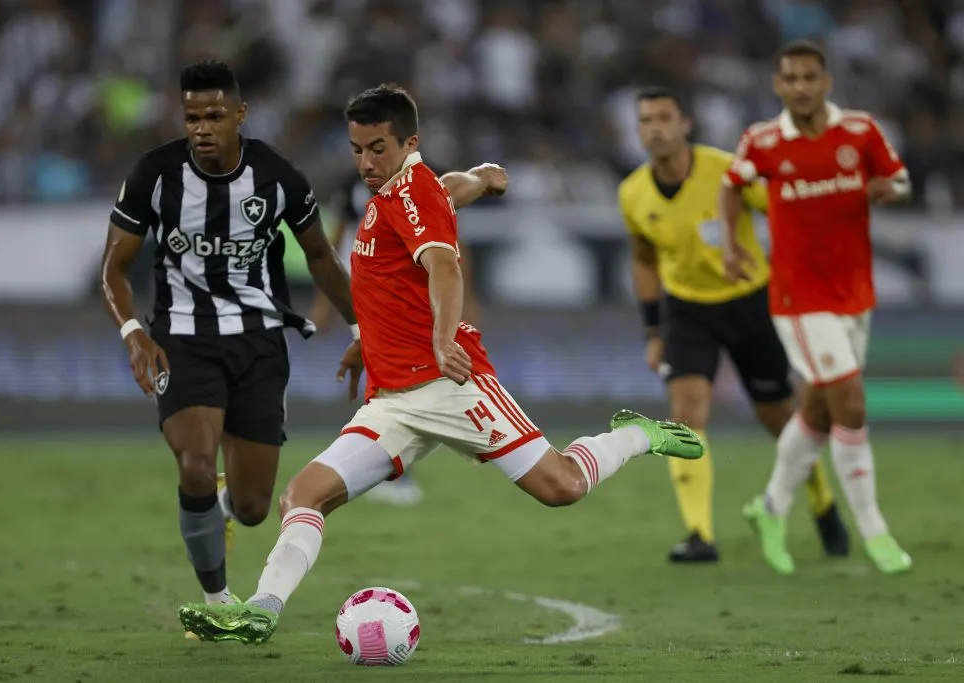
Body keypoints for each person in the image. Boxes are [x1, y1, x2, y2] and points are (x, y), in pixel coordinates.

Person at [177, 84, 704, 644]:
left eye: (377, 148)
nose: (365, 163)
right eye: (357, 150)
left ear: (410, 142)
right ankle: (261, 609)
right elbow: (451, 189)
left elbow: (444, 268)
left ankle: (636, 434)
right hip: (392, 403)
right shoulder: (407, 189)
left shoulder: (411, 194)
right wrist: (482, 177)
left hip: (453, 385)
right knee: (303, 495)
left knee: (562, 487)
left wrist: (443, 337)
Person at [98, 61, 364, 631]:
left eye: (215, 116)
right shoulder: (154, 174)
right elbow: (114, 267)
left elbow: (320, 256)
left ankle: (216, 510)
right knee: (195, 465)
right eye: (192, 116)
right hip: (180, 340)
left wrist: (361, 330)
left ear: (240, 115)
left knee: (252, 508)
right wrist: (132, 332)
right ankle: (217, 602)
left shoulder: (278, 178)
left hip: (258, 343)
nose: (202, 128)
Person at [619, 86, 849, 564]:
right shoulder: (633, 193)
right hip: (686, 310)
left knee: (780, 419)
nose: (655, 128)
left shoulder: (727, 170)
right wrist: (653, 331)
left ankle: (822, 502)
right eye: (645, 120)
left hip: (750, 303)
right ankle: (699, 534)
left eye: (664, 117)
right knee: (687, 411)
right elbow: (644, 261)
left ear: (686, 125)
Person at [720, 41, 912, 575]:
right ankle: (875, 532)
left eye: (810, 77)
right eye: (790, 79)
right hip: (797, 299)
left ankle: (770, 508)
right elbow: (731, 185)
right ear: (779, 86)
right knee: (849, 399)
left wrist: (889, 188)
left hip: (855, 294)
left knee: (819, 412)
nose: (801, 86)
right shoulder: (761, 141)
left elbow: (899, 178)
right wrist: (732, 246)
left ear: (826, 81)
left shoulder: (859, 131)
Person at [307, 168, 487, 507]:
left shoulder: (424, 178)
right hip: (370, 289)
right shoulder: (354, 182)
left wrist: (469, 295)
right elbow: (336, 238)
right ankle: (397, 467)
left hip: (415, 288)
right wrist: (323, 301)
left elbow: (451, 237)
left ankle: (409, 457)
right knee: (391, 375)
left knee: (413, 371)